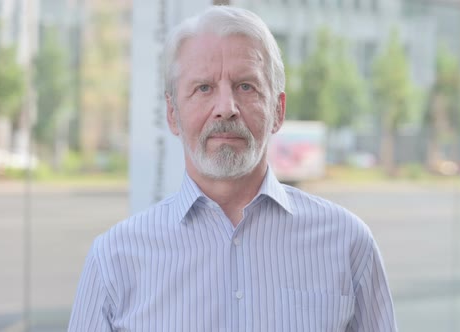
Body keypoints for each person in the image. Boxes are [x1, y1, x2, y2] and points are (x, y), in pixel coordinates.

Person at [69, 5, 396, 332]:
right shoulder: (115, 260)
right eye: (204, 88)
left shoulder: (347, 244)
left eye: (245, 87)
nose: (226, 109)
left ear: (278, 111)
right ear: (172, 114)